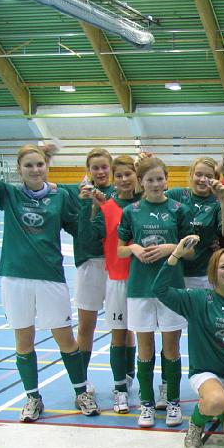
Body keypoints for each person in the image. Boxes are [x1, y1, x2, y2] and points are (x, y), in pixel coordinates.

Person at [0, 111, 98, 420]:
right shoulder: (9, 194)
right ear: (19, 169)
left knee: (66, 339)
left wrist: (86, 204)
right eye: (29, 165)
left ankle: (81, 392)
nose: (35, 169)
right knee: (24, 341)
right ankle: (33, 398)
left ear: (47, 166)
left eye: (39, 164)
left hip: (50, 278)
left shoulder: (60, 196)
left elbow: (80, 229)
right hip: (15, 278)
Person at [153, 241, 224, 448]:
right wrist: (175, 256)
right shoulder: (198, 299)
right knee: (216, 401)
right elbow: (159, 289)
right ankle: (196, 423)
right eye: (223, 267)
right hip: (206, 373)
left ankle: (220, 410)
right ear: (213, 272)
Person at [117, 156, 192, 428]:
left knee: (171, 347)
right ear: (141, 182)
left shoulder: (179, 209)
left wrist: (171, 248)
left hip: (171, 287)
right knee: (145, 348)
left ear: (167, 179)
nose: (156, 184)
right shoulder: (132, 211)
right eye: (150, 180)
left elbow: (190, 250)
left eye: (160, 179)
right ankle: (146, 404)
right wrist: (134, 248)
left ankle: (173, 402)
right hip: (140, 288)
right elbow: (119, 249)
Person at [77, 155, 141, 413]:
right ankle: (120, 389)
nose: (124, 179)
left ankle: (143, 385)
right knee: (118, 334)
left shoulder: (146, 203)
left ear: (136, 176)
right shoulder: (106, 207)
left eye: (129, 174)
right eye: (119, 175)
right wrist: (88, 206)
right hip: (117, 278)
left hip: (144, 279)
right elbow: (88, 237)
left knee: (145, 335)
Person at [56, 148, 115, 389]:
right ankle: (82, 380)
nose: (100, 172)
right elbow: (48, 186)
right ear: (88, 170)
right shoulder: (77, 193)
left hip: (117, 266)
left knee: (122, 326)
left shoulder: (120, 191)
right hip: (88, 264)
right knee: (86, 324)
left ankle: (126, 377)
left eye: (104, 167)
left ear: (111, 168)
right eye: (95, 168)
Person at [166, 157, 224, 289]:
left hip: (204, 275)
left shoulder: (217, 202)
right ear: (191, 175)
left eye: (208, 176)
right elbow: (149, 200)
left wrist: (223, 199)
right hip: (176, 271)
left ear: (216, 179)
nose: (203, 180)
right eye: (198, 174)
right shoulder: (176, 195)